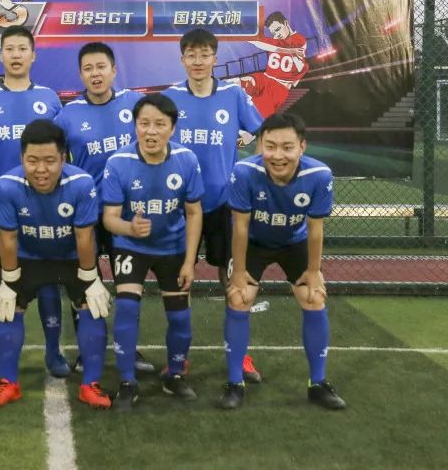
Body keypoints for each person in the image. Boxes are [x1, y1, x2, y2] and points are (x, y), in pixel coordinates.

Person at [219, 112, 346, 411]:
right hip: (254, 242)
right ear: (260, 145)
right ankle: (234, 383)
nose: (278, 155)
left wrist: (313, 272)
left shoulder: (319, 175)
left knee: (313, 297)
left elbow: (315, 229)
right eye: (270, 146)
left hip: (294, 242)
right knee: (239, 297)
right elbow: (240, 227)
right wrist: (239, 272)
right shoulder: (244, 171)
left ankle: (318, 383)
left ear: (302, 147)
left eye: (287, 147)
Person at [0, 119, 111, 409]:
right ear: (21, 158)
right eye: (32, 161)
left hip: (71, 257)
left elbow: (84, 236)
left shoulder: (81, 183)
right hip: (28, 257)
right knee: (8, 309)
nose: (41, 169)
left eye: (50, 161)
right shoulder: (7, 185)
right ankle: (8, 382)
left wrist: (90, 278)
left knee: (93, 307)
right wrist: (9, 280)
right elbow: (7, 238)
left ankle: (91, 384)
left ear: (63, 158)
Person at [163, 28, 264, 384]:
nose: (198, 61)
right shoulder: (170, 97)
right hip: (181, 205)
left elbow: (262, 131)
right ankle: (179, 358)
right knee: (181, 280)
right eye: (191, 54)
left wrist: (252, 167)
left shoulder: (233, 94)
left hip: (224, 204)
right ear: (182, 59)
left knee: (232, 279)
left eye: (204, 54)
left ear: (214, 58)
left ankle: (240, 357)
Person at [54, 41, 155, 375]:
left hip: (125, 213)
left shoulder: (135, 105)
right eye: (88, 69)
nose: (95, 74)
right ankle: (89, 350)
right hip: (85, 214)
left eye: (101, 67)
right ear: (81, 74)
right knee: (85, 283)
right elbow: (56, 162)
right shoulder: (67, 115)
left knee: (129, 286)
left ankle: (129, 350)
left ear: (114, 70)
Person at [0, 26, 67, 378]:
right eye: (9, 49)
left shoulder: (49, 98)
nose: (16, 55)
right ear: (0, 55)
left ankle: (54, 352)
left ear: (33, 55)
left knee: (47, 275)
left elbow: (61, 155)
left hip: (45, 206)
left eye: (22, 49)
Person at [102, 93, 203, 410]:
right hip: (131, 245)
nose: (151, 131)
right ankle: (127, 381)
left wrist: (189, 261)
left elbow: (194, 212)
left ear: (172, 128)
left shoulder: (187, 160)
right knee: (126, 308)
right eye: (144, 123)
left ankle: (175, 375)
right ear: (135, 126)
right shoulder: (118, 162)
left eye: (160, 124)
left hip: (172, 247)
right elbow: (109, 218)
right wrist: (129, 228)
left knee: (180, 316)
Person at [239, 11, 308, 118]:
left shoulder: (299, 39)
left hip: (277, 88)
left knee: (257, 118)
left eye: (278, 29)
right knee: (237, 83)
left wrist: (252, 38)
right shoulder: (278, 41)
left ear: (286, 23)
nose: (277, 34)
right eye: (273, 33)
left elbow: (274, 45)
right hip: (265, 78)